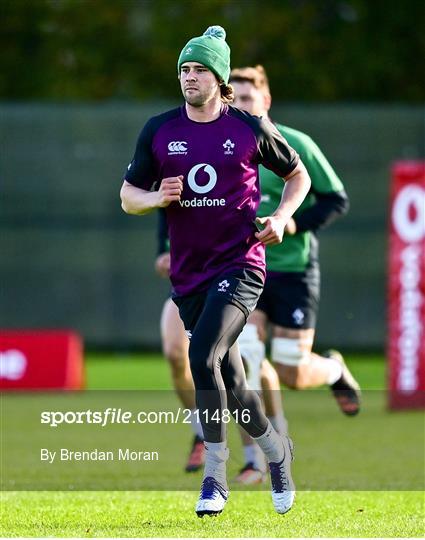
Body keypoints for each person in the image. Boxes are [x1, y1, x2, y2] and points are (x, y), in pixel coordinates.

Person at [120, 26, 311, 516]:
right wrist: (155, 198)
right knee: (233, 382)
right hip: (189, 275)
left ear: (219, 79)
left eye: (199, 69)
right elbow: (127, 196)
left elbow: (298, 176)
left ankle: (214, 476)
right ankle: (276, 453)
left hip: (240, 264)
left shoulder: (249, 127)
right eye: (184, 69)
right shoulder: (159, 130)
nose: (189, 77)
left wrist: (282, 218)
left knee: (201, 355)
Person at [229, 65, 361, 479]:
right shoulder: (223, 145)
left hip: (293, 271)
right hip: (246, 269)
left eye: (250, 99)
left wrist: (290, 223)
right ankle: (259, 456)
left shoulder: (294, 143)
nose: (242, 107)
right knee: (243, 357)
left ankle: (335, 369)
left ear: (266, 103)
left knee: (291, 369)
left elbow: (335, 200)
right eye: (236, 100)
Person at [155, 223, 204, 473]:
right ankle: (202, 434)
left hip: (233, 284)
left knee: (242, 365)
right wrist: (162, 259)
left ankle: (257, 455)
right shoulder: (169, 189)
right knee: (176, 354)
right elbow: (164, 246)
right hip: (187, 288)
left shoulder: (233, 185)